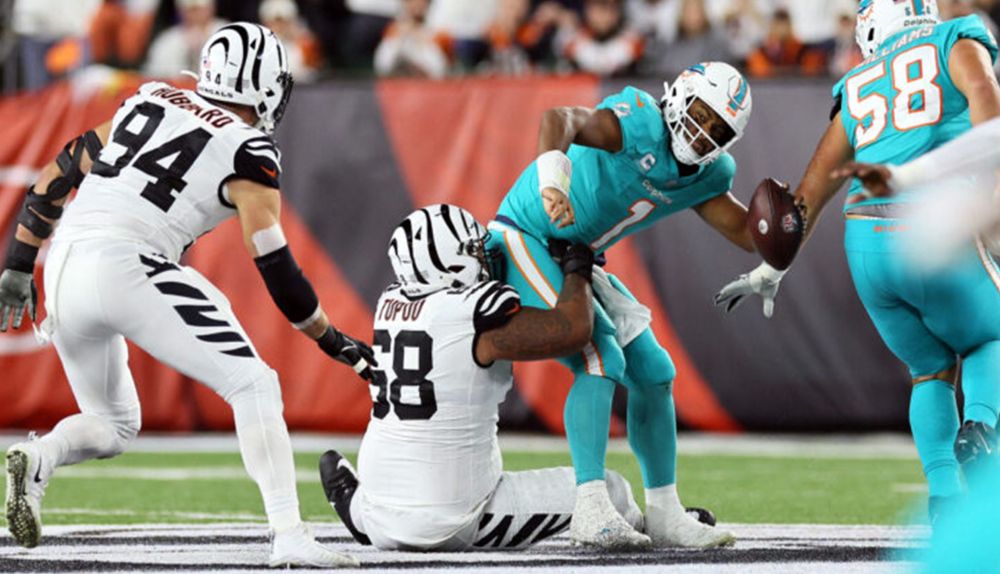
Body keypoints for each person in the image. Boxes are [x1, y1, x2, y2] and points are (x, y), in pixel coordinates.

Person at [0, 23, 374, 568]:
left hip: (63, 265)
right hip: (128, 263)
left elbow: (58, 172)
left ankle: (40, 457)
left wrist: (17, 265)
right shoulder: (249, 148)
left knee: (114, 424)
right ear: (267, 86)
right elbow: (276, 267)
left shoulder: (150, 98)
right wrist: (330, 338)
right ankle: (289, 534)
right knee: (254, 383)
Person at [716, 0, 1000, 523]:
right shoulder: (954, 37)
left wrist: (773, 267)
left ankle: (944, 496)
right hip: (935, 223)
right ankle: (981, 428)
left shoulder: (857, 83)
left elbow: (809, 194)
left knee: (929, 370)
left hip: (868, 243)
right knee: (990, 336)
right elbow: (984, 94)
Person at [488, 61, 758, 549]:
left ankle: (665, 511)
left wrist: (791, 217)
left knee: (654, 372)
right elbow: (560, 119)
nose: (703, 133)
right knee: (600, 356)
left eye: (718, 129)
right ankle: (590, 506)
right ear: (679, 96)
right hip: (525, 233)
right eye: (701, 114)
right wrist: (553, 182)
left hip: (576, 256)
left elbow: (749, 234)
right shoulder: (638, 122)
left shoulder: (708, 173)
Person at [319, 204, 650, 551]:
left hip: (379, 506)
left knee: (391, 498)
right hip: (452, 519)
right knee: (612, 490)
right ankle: (648, 523)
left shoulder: (389, 303)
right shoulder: (472, 313)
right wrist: (576, 268)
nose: (485, 258)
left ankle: (358, 512)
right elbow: (572, 330)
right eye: (474, 250)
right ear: (448, 262)